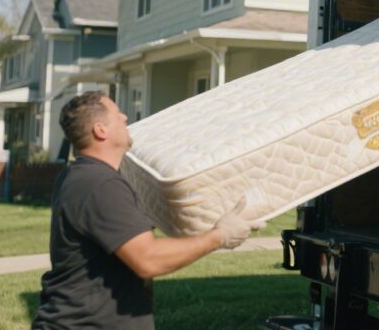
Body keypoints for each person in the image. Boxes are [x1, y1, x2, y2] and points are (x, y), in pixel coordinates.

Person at [33, 91, 263, 329]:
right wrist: (220, 236)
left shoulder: (79, 175)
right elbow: (148, 259)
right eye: (117, 114)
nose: (125, 117)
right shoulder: (101, 184)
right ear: (100, 130)